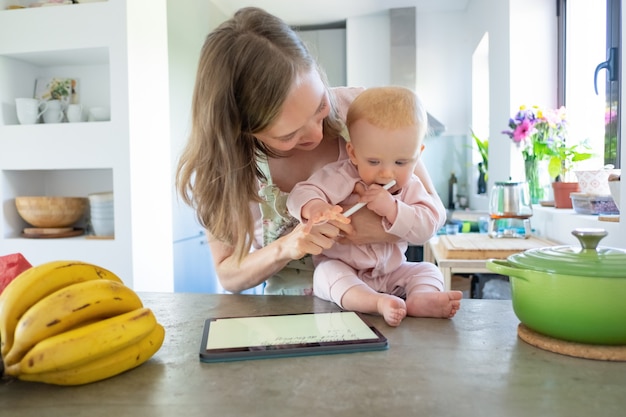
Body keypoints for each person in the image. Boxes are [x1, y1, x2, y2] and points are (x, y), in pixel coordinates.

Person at [176, 7, 447, 296]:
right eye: (289, 135)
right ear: (242, 130)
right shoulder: (226, 169)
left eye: (320, 107)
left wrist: (377, 227)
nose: (317, 134)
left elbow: (434, 212)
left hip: (384, 300)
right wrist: (286, 246)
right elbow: (229, 275)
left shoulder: (362, 111)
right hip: (290, 317)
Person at [286, 86, 462, 325]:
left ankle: (421, 299)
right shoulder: (343, 175)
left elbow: (428, 226)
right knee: (325, 274)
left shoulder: (411, 186)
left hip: (393, 272)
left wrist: (392, 208)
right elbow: (300, 193)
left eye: (401, 161)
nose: (387, 172)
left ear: (417, 155)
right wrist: (316, 207)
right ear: (354, 153)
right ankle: (374, 303)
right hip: (345, 269)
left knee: (428, 270)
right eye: (373, 161)